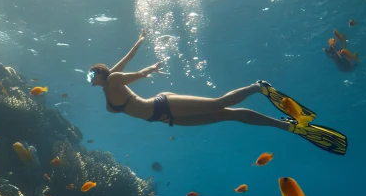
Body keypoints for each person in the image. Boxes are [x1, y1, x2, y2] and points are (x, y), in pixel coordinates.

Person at [88, 29, 347, 155]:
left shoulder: (114, 80)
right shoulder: (109, 82)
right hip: (165, 118)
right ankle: (286, 126)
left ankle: (258, 87)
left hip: (161, 105)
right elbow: (126, 58)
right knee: (226, 115)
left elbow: (134, 73)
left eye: (91, 74)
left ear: (100, 73)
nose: (89, 78)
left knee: (218, 103)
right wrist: (141, 40)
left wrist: (150, 69)